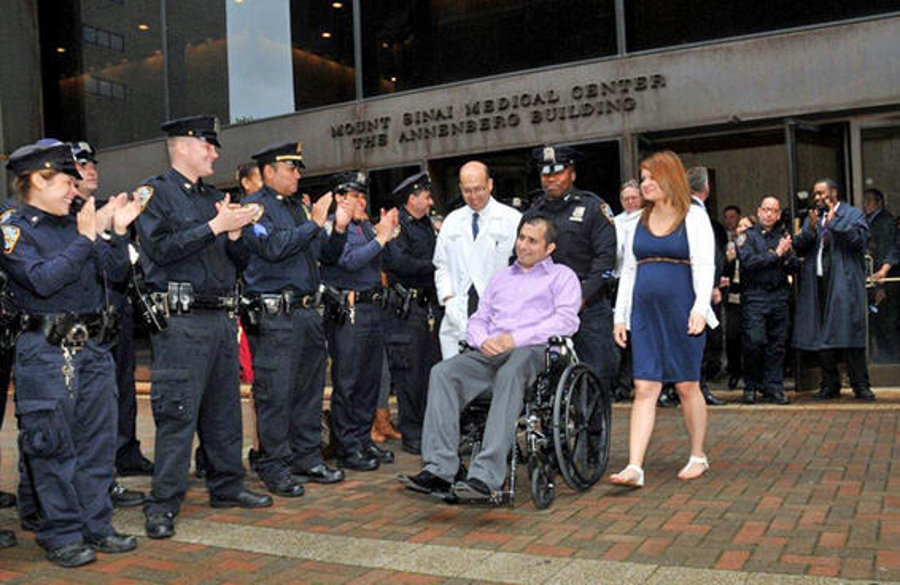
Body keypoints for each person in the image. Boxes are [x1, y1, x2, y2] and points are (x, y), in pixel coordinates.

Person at [2, 141, 142, 566]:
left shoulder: (74, 222)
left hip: (94, 348)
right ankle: (60, 532)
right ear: (38, 180)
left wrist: (114, 232)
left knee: (97, 445)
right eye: (66, 181)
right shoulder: (12, 228)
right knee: (52, 447)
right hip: (46, 352)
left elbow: (116, 274)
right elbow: (42, 281)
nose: (74, 190)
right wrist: (85, 238)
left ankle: (96, 526)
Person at [136, 115, 273, 541]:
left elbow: (239, 262)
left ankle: (227, 484)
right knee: (177, 412)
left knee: (224, 410)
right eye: (206, 145)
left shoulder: (215, 197)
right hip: (181, 321)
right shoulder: (155, 194)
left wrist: (234, 237)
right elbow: (158, 248)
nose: (215, 152)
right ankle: (163, 501)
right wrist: (214, 227)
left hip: (219, 317)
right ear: (181, 147)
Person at [398, 216, 580, 500]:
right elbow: (479, 319)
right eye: (521, 237)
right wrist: (483, 340)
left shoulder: (562, 277)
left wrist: (515, 339)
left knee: (512, 370)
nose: (523, 245)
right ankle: (440, 468)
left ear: (549, 248)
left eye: (533, 241)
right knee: (443, 372)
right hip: (492, 352)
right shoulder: (500, 279)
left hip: (535, 353)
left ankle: (485, 476)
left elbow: (566, 321)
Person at [240, 141, 349, 496]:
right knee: (276, 393)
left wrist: (338, 229)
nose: (298, 174)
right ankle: (274, 465)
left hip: (305, 313)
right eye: (291, 168)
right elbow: (271, 247)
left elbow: (323, 255)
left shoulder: (298, 210)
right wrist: (313, 224)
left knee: (309, 390)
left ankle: (307, 456)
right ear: (269, 171)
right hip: (276, 316)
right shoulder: (255, 207)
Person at [611, 150, 717, 488]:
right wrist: (620, 316)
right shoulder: (636, 221)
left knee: (687, 384)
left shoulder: (693, 217)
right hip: (644, 313)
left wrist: (700, 308)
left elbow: (705, 265)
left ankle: (698, 455)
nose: (645, 184)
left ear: (670, 178)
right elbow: (628, 270)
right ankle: (634, 466)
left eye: (650, 177)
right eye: (642, 178)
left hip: (682, 309)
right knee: (644, 386)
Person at [71, 142, 152, 509]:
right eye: (82, 165)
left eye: (93, 164)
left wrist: (115, 230)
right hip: (76, 328)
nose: (91, 170)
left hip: (114, 316)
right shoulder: (63, 216)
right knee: (80, 411)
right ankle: (70, 491)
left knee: (118, 393)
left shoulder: (104, 209)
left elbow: (120, 267)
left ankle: (120, 458)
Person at [522, 145, 617, 399]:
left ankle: (594, 437)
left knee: (595, 377)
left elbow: (605, 260)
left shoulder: (593, 208)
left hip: (589, 308)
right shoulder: (533, 214)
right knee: (549, 382)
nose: (550, 179)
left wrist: (579, 297)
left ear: (572, 174)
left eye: (557, 173)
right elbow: (520, 260)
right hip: (546, 311)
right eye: (545, 174)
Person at [321, 171, 399, 471]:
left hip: (371, 308)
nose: (360, 201)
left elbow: (377, 260)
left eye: (362, 195)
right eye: (354, 195)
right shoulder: (334, 229)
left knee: (369, 380)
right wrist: (380, 238)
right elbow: (348, 260)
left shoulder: (364, 227)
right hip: (349, 310)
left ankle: (363, 438)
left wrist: (385, 235)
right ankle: (347, 445)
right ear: (340, 198)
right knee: (348, 381)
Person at [792, 179, 874, 400]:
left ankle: (860, 385)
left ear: (834, 193)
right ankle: (829, 384)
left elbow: (859, 240)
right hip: (818, 283)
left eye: (822, 194)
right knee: (822, 336)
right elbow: (799, 245)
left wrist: (833, 221)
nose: (818, 198)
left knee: (849, 334)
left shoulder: (852, 214)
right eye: (815, 194)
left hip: (843, 284)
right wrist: (809, 228)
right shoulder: (813, 218)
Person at [382, 171, 444, 455]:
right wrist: (436, 265)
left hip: (429, 307)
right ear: (411, 199)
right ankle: (412, 431)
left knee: (431, 369)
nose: (430, 202)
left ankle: (429, 426)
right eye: (426, 196)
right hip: (405, 310)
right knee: (409, 373)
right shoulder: (398, 225)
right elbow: (399, 262)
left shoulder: (428, 226)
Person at [433, 161, 521, 358]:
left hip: (498, 311)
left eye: (479, 189)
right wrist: (448, 298)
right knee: (457, 375)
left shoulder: (511, 219)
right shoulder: (452, 221)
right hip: (459, 309)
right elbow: (441, 266)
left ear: (490, 184)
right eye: (467, 191)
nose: (473, 196)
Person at [737, 196, 798, 405]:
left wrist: (787, 254)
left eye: (774, 210)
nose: (770, 214)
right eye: (766, 210)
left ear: (779, 214)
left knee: (777, 344)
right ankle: (752, 385)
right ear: (759, 211)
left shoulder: (782, 236)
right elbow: (749, 262)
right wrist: (775, 254)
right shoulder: (747, 237)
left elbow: (794, 267)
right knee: (754, 342)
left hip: (779, 296)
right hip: (755, 296)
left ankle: (774, 387)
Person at [685, 166, 727, 406]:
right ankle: (698, 389)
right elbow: (707, 255)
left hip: (701, 285)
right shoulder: (694, 212)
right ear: (707, 188)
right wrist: (711, 285)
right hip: (697, 289)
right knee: (700, 341)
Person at [612, 180, 643, 401]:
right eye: (626, 198)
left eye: (634, 197)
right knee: (621, 334)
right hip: (619, 280)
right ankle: (621, 383)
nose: (630, 202)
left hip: (641, 281)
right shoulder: (615, 221)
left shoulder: (647, 218)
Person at [863, 188, 897, 362]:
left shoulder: (885, 222)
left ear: (879, 203)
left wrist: (881, 283)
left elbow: (888, 250)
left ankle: (890, 363)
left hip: (884, 280)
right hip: (871, 279)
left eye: (869, 201)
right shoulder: (868, 221)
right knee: (877, 324)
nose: (866, 205)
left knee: (886, 324)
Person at [722, 204, 743, 389]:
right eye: (726, 217)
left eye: (733, 217)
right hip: (731, 293)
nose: (730, 220)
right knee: (732, 334)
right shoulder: (723, 240)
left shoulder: (748, 239)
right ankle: (733, 370)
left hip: (748, 291)